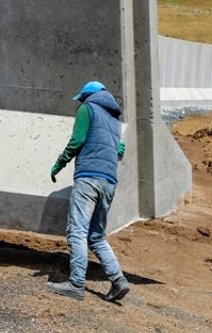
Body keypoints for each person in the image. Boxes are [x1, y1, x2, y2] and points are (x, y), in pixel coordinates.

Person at [46, 80, 130, 302]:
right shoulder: (114, 118)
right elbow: (118, 147)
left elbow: (78, 140)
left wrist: (59, 163)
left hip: (89, 177)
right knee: (96, 236)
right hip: (109, 181)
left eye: (81, 98)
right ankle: (118, 280)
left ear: (87, 96)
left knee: (77, 231)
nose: (80, 103)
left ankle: (76, 284)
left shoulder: (87, 108)